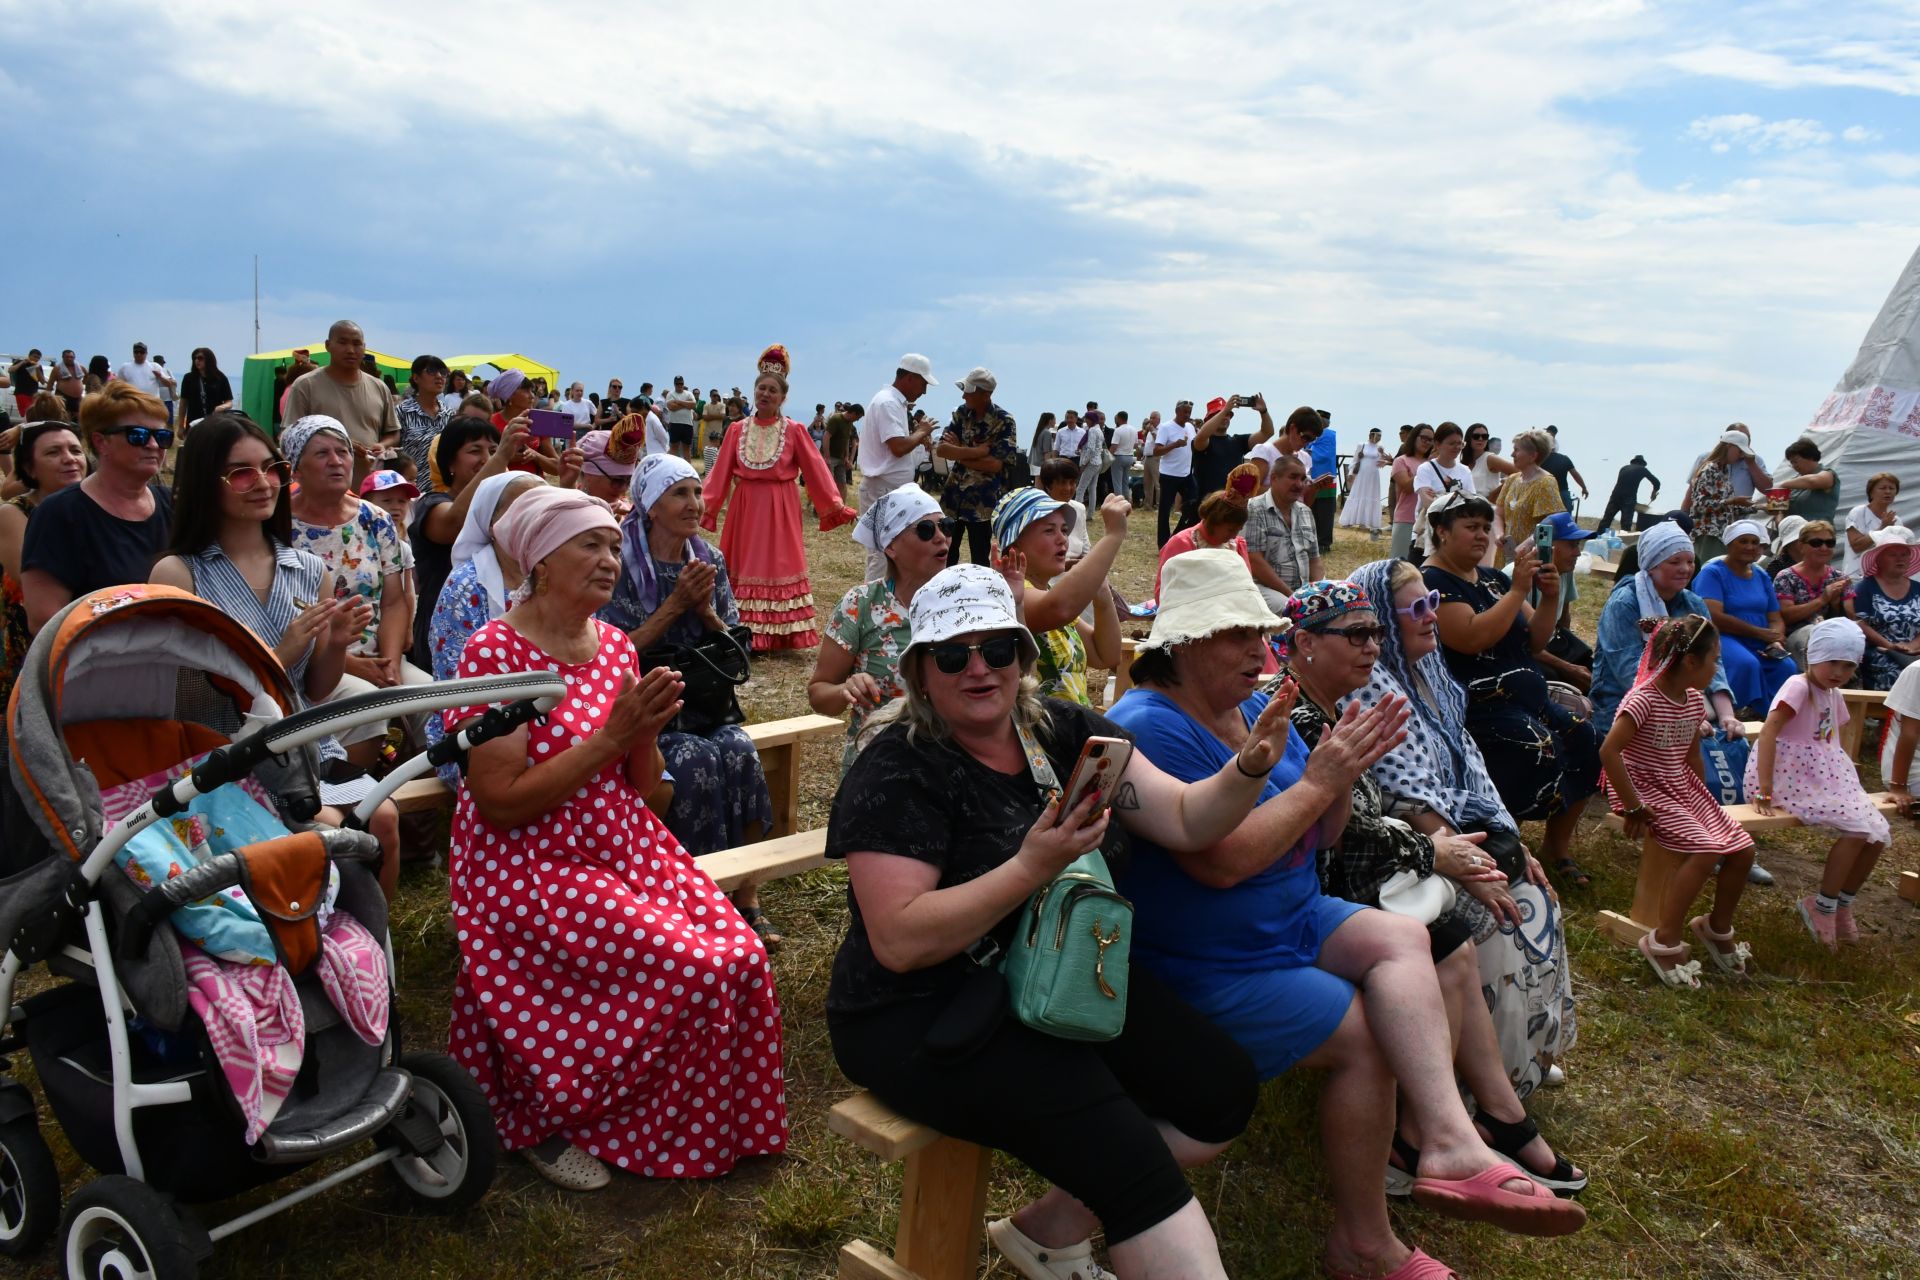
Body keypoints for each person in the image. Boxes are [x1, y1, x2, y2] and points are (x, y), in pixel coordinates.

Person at [826, 560, 1312, 1280]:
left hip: (1059, 966)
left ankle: (1046, 1231)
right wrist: (1029, 867)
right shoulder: (899, 765)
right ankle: (1121, 1208)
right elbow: (899, 941)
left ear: (1022, 656)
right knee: (1130, 1164)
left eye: (997, 649)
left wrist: (1245, 771)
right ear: (919, 672)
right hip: (922, 1011)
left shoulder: (1064, 729)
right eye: (953, 654)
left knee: (1218, 1091)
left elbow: (1183, 818)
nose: (978, 668)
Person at [1110, 551, 1586, 1274]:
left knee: (1406, 937)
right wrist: (1323, 781)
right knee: (1366, 1033)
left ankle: (1450, 1139)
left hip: (1290, 916)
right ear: (1180, 644)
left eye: (1258, 631)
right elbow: (1220, 860)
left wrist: (1339, 779)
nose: (1257, 648)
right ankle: (1366, 1242)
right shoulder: (1149, 723)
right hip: (1214, 955)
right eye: (1236, 633)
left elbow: (1322, 835)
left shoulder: (1249, 704)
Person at [445, 484, 785, 1190]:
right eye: (589, 546)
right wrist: (612, 739)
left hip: (620, 841)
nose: (609, 561)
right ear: (540, 561)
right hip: (529, 862)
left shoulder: (612, 651)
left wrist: (646, 736)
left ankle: (677, 1119)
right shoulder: (495, 652)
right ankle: (547, 1116)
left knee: (741, 953)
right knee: (696, 966)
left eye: (611, 545)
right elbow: (500, 805)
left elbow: (646, 790)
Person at [1287, 571, 1583, 1188]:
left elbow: (1465, 768)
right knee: (1461, 928)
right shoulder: (1309, 710)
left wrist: (1492, 840)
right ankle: (1455, 1119)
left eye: (1377, 630)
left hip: (1386, 862)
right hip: (1344, 883)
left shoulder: (1356, 699)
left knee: (1486, 914)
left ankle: (1489, 1106)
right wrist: (1439, 853)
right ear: (1305, 642)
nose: (1373, 644)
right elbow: (1352, 829)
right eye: (1360, 631)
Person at [1349, 558, 1579, 1096]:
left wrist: (1514, 842)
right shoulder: (1368, 689)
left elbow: (1470, 765)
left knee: (1537, 895)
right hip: (1407, 851)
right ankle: (1484, 1078)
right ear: (1382, 619)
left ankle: (1525, 1047)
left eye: (1433, 603)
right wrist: (1470, 863)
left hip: (1457, 831)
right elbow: (1403, 797)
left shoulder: (1431, 676)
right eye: (1417, 608)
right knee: (1498, 913)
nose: (1432, 617)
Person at [148, 412, 401, 897]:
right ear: (206, 482)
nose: (263, 483)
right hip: (223, 754)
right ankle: (319, 943)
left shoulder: (308, 568)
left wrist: (337, 643)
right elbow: (185, 700)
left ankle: (370, 950)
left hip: (303, 745)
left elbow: (315, 689)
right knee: (340, 832)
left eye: (272, 468)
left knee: (384, 816)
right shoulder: (178, 575)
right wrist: (278, 654)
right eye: (241, 473)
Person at [602, 452, 782, 939]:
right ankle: (693, 899)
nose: (694, 503)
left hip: (705, 699)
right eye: (679, 493)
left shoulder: (709, 560)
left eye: (697, 492)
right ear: (650, 506)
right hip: (645, 709)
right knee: (694, 761)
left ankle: (745, 892)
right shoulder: (618, 565)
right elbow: (611, 652)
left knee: (740, 752)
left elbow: (737, 646)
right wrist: (675, 605)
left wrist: (704, 614)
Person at [1422, 491, 1601, 889]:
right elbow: (1469, 637)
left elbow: (1536, 641)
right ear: (1441, 532)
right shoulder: (1432, 581)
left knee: (1587, 738)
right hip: (1478, 706)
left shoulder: (1492, 579)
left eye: (1486, 527)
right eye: (1471, 527)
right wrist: (1519, 591)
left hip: (1524, 698)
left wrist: (1550, 597)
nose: (1482, 535)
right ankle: (1507, 846)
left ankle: (1558, 848)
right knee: (1532, 747)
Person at [1598, 615, 1758, 988]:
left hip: (1679, 786)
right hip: (1644, 788)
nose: (1718, 666)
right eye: (1715, 659)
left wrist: (1700, 801)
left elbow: (1691, 756)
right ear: (1690, 661)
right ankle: (1664, 939)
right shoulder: (1644, 699)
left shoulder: (1691, 700)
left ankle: (1715, 928)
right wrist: (1632, 804)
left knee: (1743, 849)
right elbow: (1609, 751)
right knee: (1705, 850)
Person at [284, 415, 429, 762]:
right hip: (310, 666)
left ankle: (420, 799)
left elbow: (394, 602)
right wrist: (351, 664)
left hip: (380, 657)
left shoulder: (375, 518)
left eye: (343, 451)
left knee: (433, 700)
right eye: (321, 454)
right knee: (366, 705)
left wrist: (391, 662)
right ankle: (356, 802)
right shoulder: (278, 525)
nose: (336, 461)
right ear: (295, 468)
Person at [700, 345, 857, 650]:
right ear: (754, 392)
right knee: (743, 564)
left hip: (780, 509)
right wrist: (704, 506)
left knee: (777, 564)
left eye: (772, 390)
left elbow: (815, 469)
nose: (766, 394)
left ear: (783, 397)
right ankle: (738, 627)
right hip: (744, 507)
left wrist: (834, 506)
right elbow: (719, 473)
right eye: (761, 388)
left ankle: (774, 633)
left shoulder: (795, 430)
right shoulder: (735, 430)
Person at [1746, 618, 1889, 948]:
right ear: (1813, 655)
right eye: (1832, 662)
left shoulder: (1832, 693)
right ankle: (1821, 905)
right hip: (1788, 776)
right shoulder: (1798, 686)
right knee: (1857, 831)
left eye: (1848, 666)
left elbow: (1830, 738)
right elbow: (1769, 732)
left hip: (1821, 777)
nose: (1838, 672)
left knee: (1877, 834)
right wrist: (1763, 788)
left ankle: (1841, 904)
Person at [809, 483, 951, 770]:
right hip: (880, 761)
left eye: (945, 527)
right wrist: (845, 690)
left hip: (949, 756)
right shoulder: (861, 605)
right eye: (925, 530)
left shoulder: (963, 599)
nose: (941, 537)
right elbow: (819, 694)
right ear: (892, 547)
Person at [20, 382, 174, 634]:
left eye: (162, 436)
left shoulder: (173, 504)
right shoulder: (59, 514)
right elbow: (45, 622)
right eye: (138, 435)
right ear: (101, 442)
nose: (154, 445)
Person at [423, 472, 547, 780]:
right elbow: (457, 689)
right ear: (492, 524)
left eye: (542, 507)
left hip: (550, 715)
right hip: (476, 730)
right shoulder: (465, 587)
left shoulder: (552, 575)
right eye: (521, 507)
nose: (534, 517)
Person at [993, 488, 1128, 706]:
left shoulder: (1047, 595)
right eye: (1049, 531)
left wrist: (1102, 595)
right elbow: (1058, 608)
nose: (1062, 540)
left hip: (1068, 731)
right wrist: (1113, 535)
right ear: (1015, 544)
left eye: (1064, 530)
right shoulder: (1009, 593)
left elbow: (1107, 656)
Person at [407, 416, 513, 665]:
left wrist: (568, 480)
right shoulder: (432, 504)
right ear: (449, 462)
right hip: (444, 630)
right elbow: (452, 526)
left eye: (493, 450)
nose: (486, 458)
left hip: (496, 628)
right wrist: (500, 458)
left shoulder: (504, 510)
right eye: (475, 450)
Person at [0, 419, 87, 711]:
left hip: (86, 636)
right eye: (53, 453)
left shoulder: (96, 507)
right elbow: (30, 585)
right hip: (31, 643)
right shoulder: (14, 514)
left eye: (75, 450)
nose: (69, 459)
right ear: (29, 468)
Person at [1694, 520, 1796, 714]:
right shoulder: (1713, 573)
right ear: (1730, 544)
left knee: (1786, 666)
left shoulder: (1761, 575)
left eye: (1755, 542)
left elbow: (1774, 617)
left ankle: (1772, 718)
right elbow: (1714, 616)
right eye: (1743, 541)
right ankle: (1729, 714)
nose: (1750, 547)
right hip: (1721, 636)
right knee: (1746, 664)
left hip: (1760, 640)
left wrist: (1775, 641)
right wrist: (1759, 633)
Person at [857, 356, 938, 580]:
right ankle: (872, 608)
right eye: (923, 384)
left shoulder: (892, 402)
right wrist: (922, 431)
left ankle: (883, 605)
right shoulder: (888, 403)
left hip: (888, 489)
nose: (924, 391)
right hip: (883, 489)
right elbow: (898, 447)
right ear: (910, 378)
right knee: (882, 554)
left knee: (890, 552)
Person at [1155, 473, 1287, 602]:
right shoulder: (1182, 543)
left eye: (1238, 530)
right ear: (1214, 521)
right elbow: (1163, 593)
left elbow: (1245, 588)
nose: (1234, 536)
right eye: (1230, 530)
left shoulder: (1237, 545)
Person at [281, 321, 402, 462]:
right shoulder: (305, 385)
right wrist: (339, 444)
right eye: (343, 343)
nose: (350, 350)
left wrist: (382, 445)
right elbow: (290, 436)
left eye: (357, 344)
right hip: (321, 481)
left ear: (364, 347)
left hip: (369, 480)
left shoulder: (379, 387)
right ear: (328, 345)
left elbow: (393, 433)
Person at [937, 367, 1018, 566]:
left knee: (980, 558)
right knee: (946, 552)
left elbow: (994, 465)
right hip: (953, 498)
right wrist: (977, 452)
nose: (964, 395)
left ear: (985, 394)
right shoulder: (961, 413)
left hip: (982, 502)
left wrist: (959, 451)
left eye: (968, 390)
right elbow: (941, 450)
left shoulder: (1004, 421)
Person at [1845, 530, 1920, 691]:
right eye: (1892, 555)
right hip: (1881, 652)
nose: (1900, 559)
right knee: (1899, 674)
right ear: (1879, 559)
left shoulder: (1918, 589)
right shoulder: (1865, 588)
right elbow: (1860, 623)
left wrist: (1912, 645)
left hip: (1916, 650)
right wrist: (1890, 646)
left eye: (1904, 554)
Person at [1244, 453, 1322, 609]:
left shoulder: (1305, 511)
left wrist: (1317, 592)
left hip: (1303, 591)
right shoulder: (1254, 509)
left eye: (1302, 479)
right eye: (1293, 477)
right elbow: (1255, 561)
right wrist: (1294, 597)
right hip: (1264, 588)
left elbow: (1315, 560)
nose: (1299, 484)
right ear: (1274, 479)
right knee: (1288, 610)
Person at [1772, 523, 1849, 669]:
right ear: (1801, 546)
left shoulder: (1838, 577)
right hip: (1797, 636)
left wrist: (1835, 605)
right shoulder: (1785, 577)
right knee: (1814, 635)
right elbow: (1786, 616)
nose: (1824, 548)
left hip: (1832, 634)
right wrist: (1822, 600)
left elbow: (1848, 618)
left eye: (1830, 543)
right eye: (1816, 543)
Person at [1685, 431, 1759, 565]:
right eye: (1740, 451)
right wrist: (1733, 501)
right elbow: (1699, 506)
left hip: (1720, 534)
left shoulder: (1722, 470)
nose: (1741, 455)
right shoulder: (1709, 470)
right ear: (1729, 447)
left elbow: (1725, 508)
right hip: (1709, 534)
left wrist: (1757, 507)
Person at [1189, 394, 1275, 500]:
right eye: (1220, 414)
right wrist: (1225, 410)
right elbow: (1201, 436)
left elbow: (1267, 432)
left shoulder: (1238, 441)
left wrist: (1264, 412)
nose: (1225, 417)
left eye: (1228, 414)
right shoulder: (1204, 442)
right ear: (1209, 419)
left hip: (1232, 506)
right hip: (1204, 507)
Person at [1496, 430, 1564, 560]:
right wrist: (1499, 534)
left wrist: (1530, 543)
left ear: (1533, 456)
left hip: (1530, 556)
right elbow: (1498, 513)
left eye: (1516, 450)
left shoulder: (1545, 482)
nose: (1512, 454)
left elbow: (1553, 522)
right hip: (1506, 553)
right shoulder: (1512, 479)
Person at [1412, 423, 1475, 558]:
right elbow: (1429, 504)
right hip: (1427, 536)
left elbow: (1472, 503)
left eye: (1460, 443)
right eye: (1452, 443)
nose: (1457, 447)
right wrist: (1457, 498)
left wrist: (1440, 497)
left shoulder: (1465, 471)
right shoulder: (1426, 469)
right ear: (1438, 444)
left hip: (1455, 537)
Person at [395, 354, 456, 478]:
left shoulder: (449, 414)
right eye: (431, 371)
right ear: (416, 378)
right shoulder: (402, 411)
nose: (439, 376)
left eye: (443, 372)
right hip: (413, 489)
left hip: (444, 490)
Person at [1151, 400, 1199, 547]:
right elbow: (1156, 451)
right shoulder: (1166, 428)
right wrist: (1175, 444)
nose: (1187, 415)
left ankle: (1177, 537)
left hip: (1186, 474)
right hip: (1169, 474)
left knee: (1194, 505)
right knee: (1165, 510)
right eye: (1185, 412)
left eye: (1189, 412)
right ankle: (1163, 544)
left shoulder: (1190, 427)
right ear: (1177, 411)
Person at [1843, 471, 1901, 577]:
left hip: (1884, 578)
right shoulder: (1859, 512)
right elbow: (1856, 546)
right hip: (1857, 576)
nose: (1887, 492)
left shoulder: (1896, 520)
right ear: (1871, 492)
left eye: (1892, 488)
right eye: (1882, 488)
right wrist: (1882, 528)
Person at [1389, 424, 1434, 560]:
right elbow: (1407, 487)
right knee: (1399, 565)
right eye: (1423, 438)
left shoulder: (1433, 464)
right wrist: (1426, 468)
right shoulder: (1401, 461)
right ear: (1414, 438)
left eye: (1430, 439)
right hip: (1406, 519)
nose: (1426, 442)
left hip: (1428, 520)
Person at [1337, 426, 1390, 535]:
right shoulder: (1362, 445)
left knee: (1370, 495)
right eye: (1377, 435)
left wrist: (1383, 452)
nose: (1379, 438)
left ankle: (1365, 522)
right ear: (1371, 435)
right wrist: (1351, 473)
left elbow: (1384, 461)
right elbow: (1355, 459)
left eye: (1380, 436)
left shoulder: (1380, 447)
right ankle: (1349, 520)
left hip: (1373, 475)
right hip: (1362, 474)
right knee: (1357, 494)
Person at [576, 426, 636, 517]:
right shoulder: (569, 509)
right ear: (589, 474)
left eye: (629, 480)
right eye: (618, 480)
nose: (624, 489)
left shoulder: (626, 513)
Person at [1595, 455, 1661, 534]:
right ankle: (1625, 540)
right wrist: (1653, 493)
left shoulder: (1624, 468)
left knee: (1606, 519)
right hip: (1629, 498)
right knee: (1626, 523)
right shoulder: (1643, 469)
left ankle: (1598, 536)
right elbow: (1657, 482)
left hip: (1615, 495)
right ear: (1642, 464)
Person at [1778, 439, 1838, 525]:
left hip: (1818, 530)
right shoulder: (1795, 481)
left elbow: (1813, 481)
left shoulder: (1828, 474)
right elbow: (1780, 507)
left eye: (1795, 461)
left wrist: (1784, 485)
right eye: (1791, 463)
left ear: (1810, 457)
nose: (1794, 466)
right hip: (1794, 532)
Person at [179, 347, 234, 426]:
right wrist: (181, 426)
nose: (196, 360)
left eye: (200, 358)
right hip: (193, 423)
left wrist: (221, 407)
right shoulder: (189, 378)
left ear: (209, 359)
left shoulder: (220, 377)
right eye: (194, 358)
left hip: (215, 423)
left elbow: (229, 402)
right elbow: (183, 403)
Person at [1537, 427, 1587, 511]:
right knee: (1565, 521)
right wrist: (1584, 488)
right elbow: (1575, 475)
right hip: (1563, 494)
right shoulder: (1565, 459)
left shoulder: (1539, 460)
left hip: (1545, 494)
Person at [115, 342, 174, 409]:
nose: (139, 354)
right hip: (132, 405)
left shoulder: (154, 366)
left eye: (142, 352)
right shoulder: (125, 367)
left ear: (146, 353)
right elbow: (117, 386)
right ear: (133, 353)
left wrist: (160, 377)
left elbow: (169, 384)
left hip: (151, 405)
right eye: (136, 352)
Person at [824, 401, 860, 497]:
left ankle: (841, 509)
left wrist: (847, 457)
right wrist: (827, 458)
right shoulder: (836, 419)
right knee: (828, 484)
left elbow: (847, 440)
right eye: (858, 417)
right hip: (830, 457)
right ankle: (823, 509)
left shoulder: (850, 424)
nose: (857, 420)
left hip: (841, 458)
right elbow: (826, 437)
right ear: (853, 413)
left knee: (842, 484)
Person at [661, 375, 697, 459]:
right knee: (673, 448)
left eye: (681, 383)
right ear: (674, 384)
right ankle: (669, 468)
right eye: (677, 384)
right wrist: (686, 404)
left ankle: (688, 470)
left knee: (687, 449)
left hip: (687, 424)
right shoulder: (670, 394)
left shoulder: (689, 393)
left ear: (683, 384)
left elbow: (693, 405)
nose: (680, 385)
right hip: (675, 424)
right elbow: (671, 407)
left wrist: (679, 402)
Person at [1109, 410, 1139, 504]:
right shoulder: (1134, 429)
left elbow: (1114, 446)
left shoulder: (1118, 430)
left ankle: (1118, 503)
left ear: (1118, 418)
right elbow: (1136, 445)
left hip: (1119, 456)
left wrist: (1108, 456)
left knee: (1117, 482)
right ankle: (1127, 501)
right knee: (1125, 482)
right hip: (1129, 456)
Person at [50, 350, 85, 420]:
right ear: (62, 357)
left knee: (80, 419)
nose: (69, 359)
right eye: (67, 357)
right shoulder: (57, 368)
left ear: (74, 357)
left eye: (71, 357)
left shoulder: (80, 367)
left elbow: (87, 376)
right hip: (62, 396)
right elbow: (50, 383)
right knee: (64, 418)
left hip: (77, 398)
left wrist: (82, 384)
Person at [1138, 410, 1161, 511]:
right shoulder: (1149, 429)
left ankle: (1159, 505)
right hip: (1147, 457)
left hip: (1155, 457)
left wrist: (1152, 431)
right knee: (1147, 483)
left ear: (1158, 419)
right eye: (1150, 418)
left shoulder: (1160, 429)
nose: (1150, 420)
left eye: (1152, 418)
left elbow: (1159, 441)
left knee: (1157, 483)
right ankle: (1148, 505)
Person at [1026, 410, 1057, 477]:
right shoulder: (1047, 433)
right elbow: (1046, 452)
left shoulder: (1039, 431)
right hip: (1041, 464)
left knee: (1037, 484)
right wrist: (1048, 467)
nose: (1055, 422)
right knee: (1041, 485)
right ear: (1050, 420)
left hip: (1034, 462)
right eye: (1054, 419)